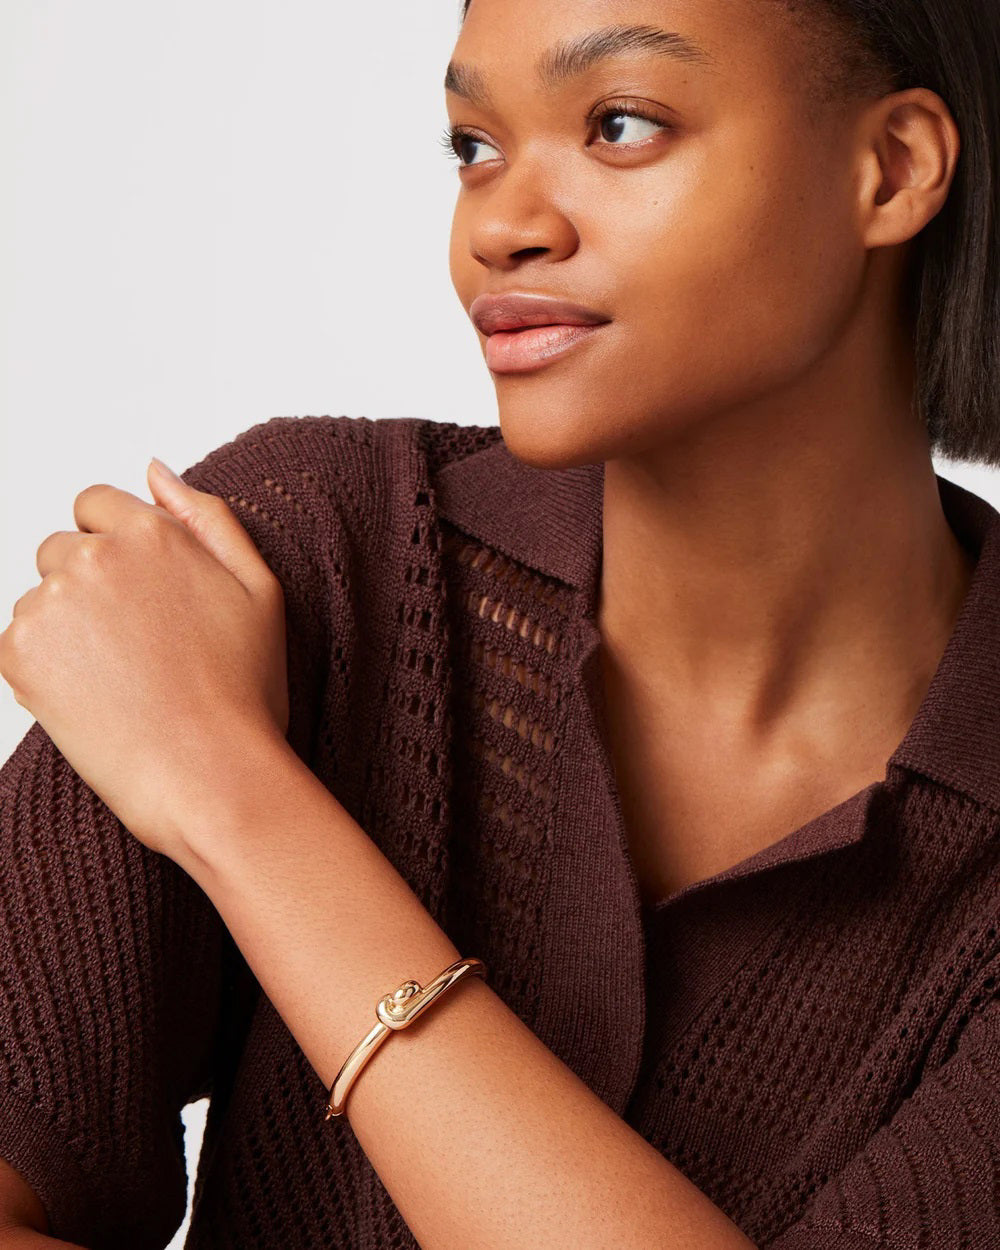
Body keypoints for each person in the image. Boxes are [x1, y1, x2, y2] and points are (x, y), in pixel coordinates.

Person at [0, 0, 998, 1246]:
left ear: (891, 168)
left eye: (619, 125)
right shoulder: (311, 556)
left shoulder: (209, 702)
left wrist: (228, 796)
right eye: (474, 146)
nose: (501, 225)